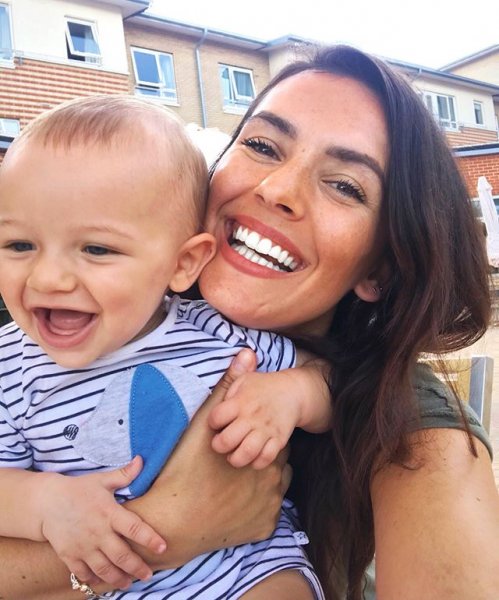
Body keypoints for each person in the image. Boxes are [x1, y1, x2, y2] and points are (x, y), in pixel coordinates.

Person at [1, 44, 499, 600]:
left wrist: (293, 394)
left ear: (379, 270)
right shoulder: (44, 326)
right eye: (262, 146)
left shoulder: (408, 417)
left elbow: (335, 385)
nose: (277, 189)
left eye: (345, 185)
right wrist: (169, 527)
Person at [0, 96, 330, 599]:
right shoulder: (9, 368)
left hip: (245, 570)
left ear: (183, 264)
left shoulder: (220, 336)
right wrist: (43, 503)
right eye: (19, 245)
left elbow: (336, 381)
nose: (47, 278)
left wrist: (293, 394)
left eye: (97, 249)